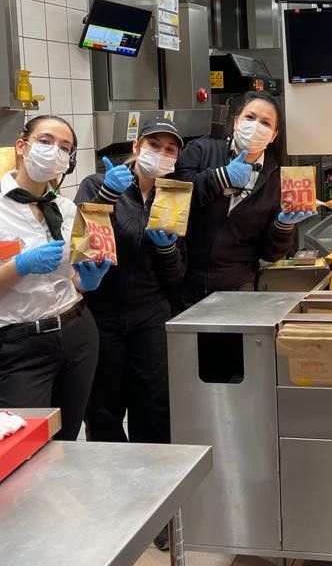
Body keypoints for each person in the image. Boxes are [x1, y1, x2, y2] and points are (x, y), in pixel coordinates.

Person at [75, 119, 186, 448]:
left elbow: (176, 276)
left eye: (170, 149)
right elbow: (82, 246)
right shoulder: (97, 184)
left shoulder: (173, 197)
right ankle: (111, 475)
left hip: (150, 316)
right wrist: (107, 196)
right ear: (137, 146)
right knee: (103, 408)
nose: (161, 153)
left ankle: (155, 473)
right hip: (102, 315)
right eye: (154, 145)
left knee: (154, 404)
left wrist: (167, 250)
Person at [0, 115, 110, 439]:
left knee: (66, 440)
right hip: (20, 345)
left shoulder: (66, 209)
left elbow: (70, 277)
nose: (55, 151)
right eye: (46, 141)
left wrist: (86, 282)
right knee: (22, 446)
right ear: (22, 145)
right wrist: (20, 266)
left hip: (78, 333)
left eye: (65, 147)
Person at [173, 92, 313, 307]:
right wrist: (221, 176)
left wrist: (283, 226)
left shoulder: (277, 179)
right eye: (250, 117)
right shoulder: (201, 150)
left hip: (238, 288)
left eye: (265, 123)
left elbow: (271, 253)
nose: (256, 126)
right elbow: (175, 196)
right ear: (237, 122)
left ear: (274, 135)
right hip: (186, 283)